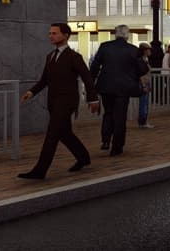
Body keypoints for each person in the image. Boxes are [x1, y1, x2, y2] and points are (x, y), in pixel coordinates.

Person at [18, 23, 99, 179]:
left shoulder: (74, 57)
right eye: (50, 33)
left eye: (55, 33)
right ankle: (83, 157)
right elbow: (44, 80)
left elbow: (87, 78)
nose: (51, 36)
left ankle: (40, 170)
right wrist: (31, 92)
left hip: (67, 102)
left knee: (52, 134)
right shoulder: (50, 56)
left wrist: (93, 98)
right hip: (53, 102)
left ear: (66, 35)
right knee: (64, 133)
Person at [89, 25, 148, 156]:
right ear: (127, 35)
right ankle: (117, 146)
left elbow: (95, 66)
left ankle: (105, 140)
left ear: (115, 34)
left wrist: (91, 84)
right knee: (120, 116)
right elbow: (143, 69)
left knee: (108, 113)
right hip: (124, 88)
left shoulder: (105, 46)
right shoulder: (133, 50)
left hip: (106, 86)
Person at [137, 43, 154, 129]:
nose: (150, 51)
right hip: (144, 82)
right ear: (144, 50)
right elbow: (141, 74)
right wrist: (143, 85)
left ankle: (143, 121)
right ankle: (143, 122)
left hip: (146, 82)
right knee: (143, 103)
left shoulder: (145, 59)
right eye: (148, 49)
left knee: (144, 102)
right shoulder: (141, 60)